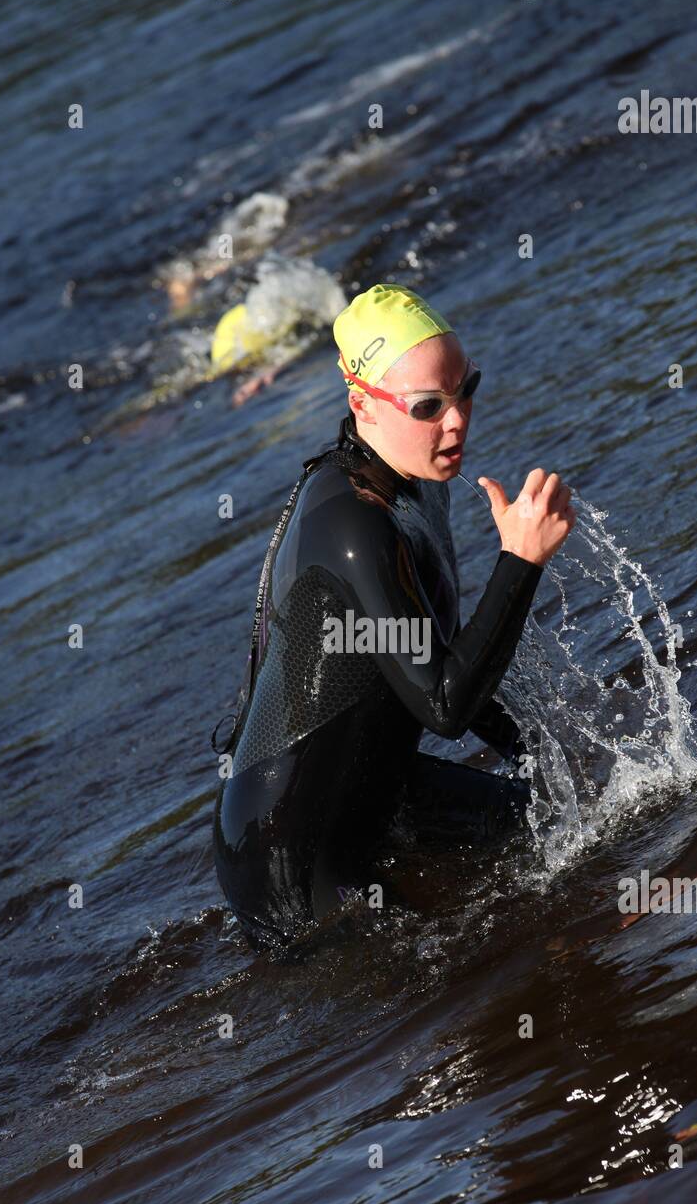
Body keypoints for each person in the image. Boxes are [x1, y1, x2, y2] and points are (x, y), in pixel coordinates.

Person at [212, 283, 575, 955]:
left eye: (466, 391)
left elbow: (430, 662)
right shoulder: (356, 526)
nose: (457, 420)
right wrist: (519, 562)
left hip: (375, 787)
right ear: (361, 405)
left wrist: (544, 760)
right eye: (429, 406)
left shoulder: (413, 478)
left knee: (556, 833)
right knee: (459, 979)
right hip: (288, 846)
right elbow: (444, 705)